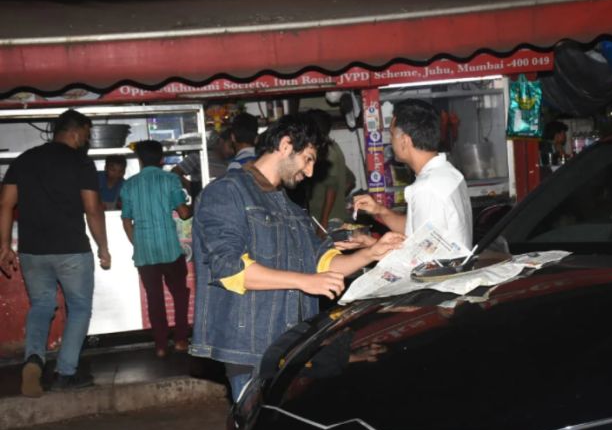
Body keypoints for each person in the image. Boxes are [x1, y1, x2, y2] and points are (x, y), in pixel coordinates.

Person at [190, 113, 404, 402]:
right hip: (251, 350)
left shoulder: (289, 208)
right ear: (286, 145)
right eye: (308, 158)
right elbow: (230, 270)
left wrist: (372, 253)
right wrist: (307, 281)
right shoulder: (227, 193)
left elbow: (322, 264)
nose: (311, 172)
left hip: (291, 346)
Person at [0, 109, 111, 397]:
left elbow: (5, 205)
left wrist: (4, 246)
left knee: (41, 306)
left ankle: (34, 358)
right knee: (79, 308)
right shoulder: (81, 163)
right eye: (87, 133)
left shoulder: (23, 160)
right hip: (71, 249)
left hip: (32, 251)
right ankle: (65, 373)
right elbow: (92, 209)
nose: (87, 140)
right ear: (76, 132)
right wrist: (103, 246)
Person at [352, 99, 474, 249]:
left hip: (439, 271)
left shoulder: (427, 188)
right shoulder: (450, 173)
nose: (390, 141)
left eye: (391, 134)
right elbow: (416, 229)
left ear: (404, 141)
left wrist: (372, 246)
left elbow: (423, 256)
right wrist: (380, 210)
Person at [120, 140, 192, 358]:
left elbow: (126, 221)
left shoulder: (129, 185)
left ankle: (160, 346)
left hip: (145, 252)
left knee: (154, 298)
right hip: (169, 248)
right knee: (180, 294)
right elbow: (184, 214)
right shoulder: (170, 180)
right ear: (161, 160)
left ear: (140, 160)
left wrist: (139, 244)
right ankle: (180, 340)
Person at [306, 109, 350, 231]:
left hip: (327, 221)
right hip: (332, 218)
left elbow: (332, 188)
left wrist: (323, 223)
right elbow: (350, 180)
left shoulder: (326, 153)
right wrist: (339, 200)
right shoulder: (334, 148)